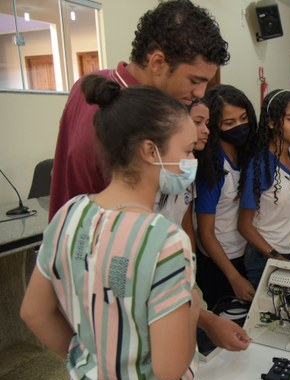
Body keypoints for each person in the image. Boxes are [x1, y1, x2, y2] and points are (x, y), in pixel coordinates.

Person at [21, 75, 202, 380]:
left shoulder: (68, 214)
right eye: (188, 150)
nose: (193, 160)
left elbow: (34, 312)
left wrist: (95, 365)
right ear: (151, 150)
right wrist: (193, 307)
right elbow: (169, 367)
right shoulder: (166, 241)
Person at [49, 0, 229, 220]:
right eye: (194, 80)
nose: (200, 93)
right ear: (157, 62)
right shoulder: (127, 117)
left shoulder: (94, 84)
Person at [195, 84, 257, 307]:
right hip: (220, 263)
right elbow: (205, 233)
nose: (240, 127)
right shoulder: (213, 167)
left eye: (243, 118)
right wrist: (233, 277)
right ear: (214, 126)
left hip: (244, 253)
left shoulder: (245, 153)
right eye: (229, 123)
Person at [238, 89, 290, 289]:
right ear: (271, 122)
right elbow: (244, 225)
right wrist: (276, 257)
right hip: (264, 258)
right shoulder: (259, 165)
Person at [155, 97, 210, 250]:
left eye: (207, 123)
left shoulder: (188, 166)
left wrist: (191, 263)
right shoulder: (157, 170)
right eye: (197, 122)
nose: (206, 130)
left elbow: (186, 223)